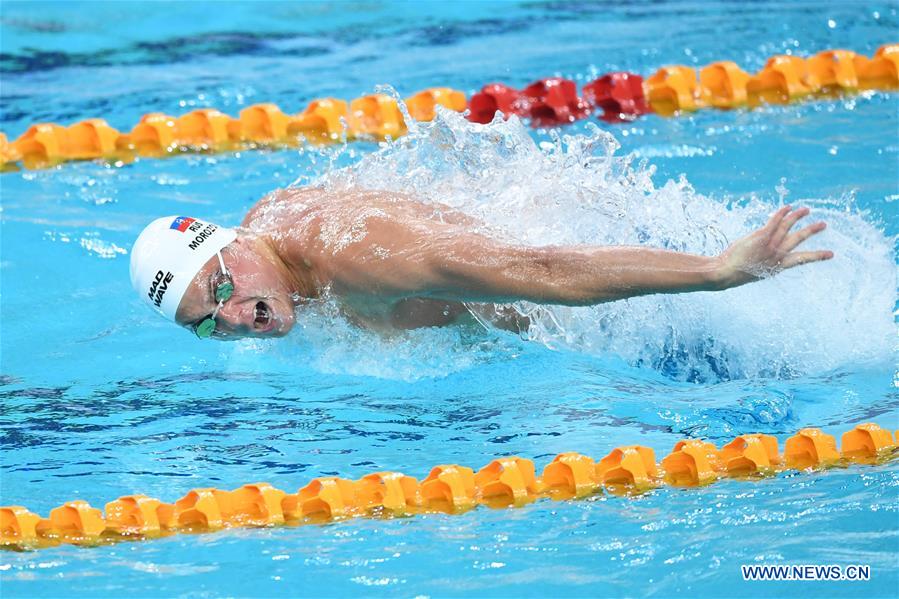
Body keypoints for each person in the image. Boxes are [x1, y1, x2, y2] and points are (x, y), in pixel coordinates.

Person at [130, 187, 833, 340]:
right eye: (207, 321)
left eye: (223, 286)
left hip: (625, 323)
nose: (235, 315)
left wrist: (717, 271)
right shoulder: (265, 236)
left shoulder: (362, 258)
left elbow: (545, 270)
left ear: (238, 246)